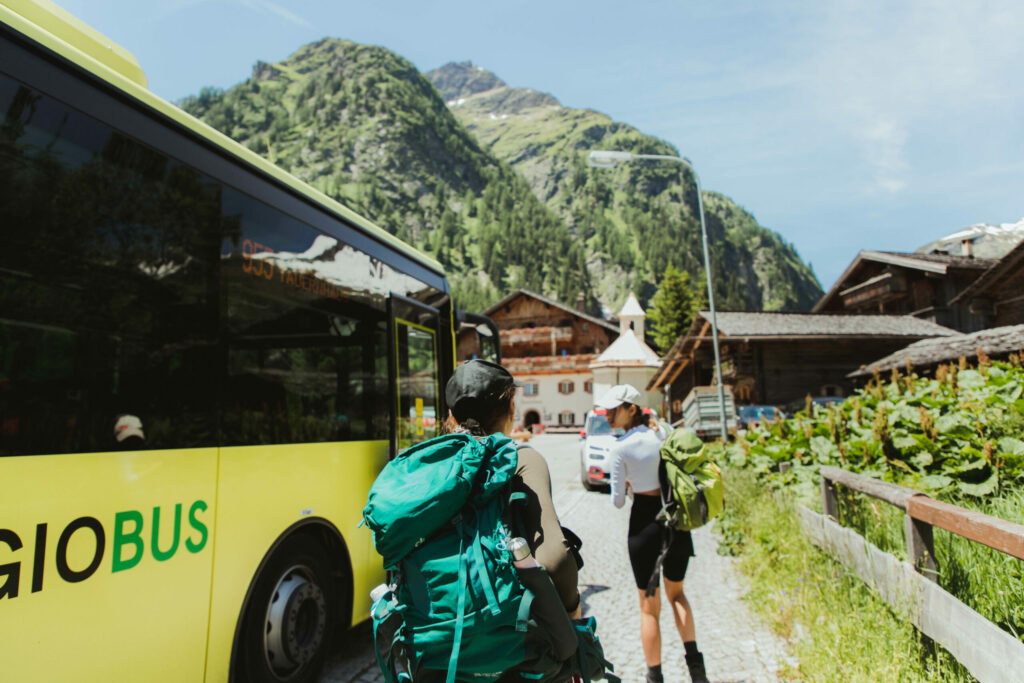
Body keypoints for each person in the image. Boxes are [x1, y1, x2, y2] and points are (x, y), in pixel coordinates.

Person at [444, 359, 581, 617]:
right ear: (511, 408)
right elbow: (555, 558)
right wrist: (573, 611)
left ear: (451, 416)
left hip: (437, 629)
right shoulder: (523, 459)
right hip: (506, 632)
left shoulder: (434, 465)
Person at [599, 384, 708, 683]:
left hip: (644, 525)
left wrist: (632, 485)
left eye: (614, 409)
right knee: (678, 596)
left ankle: (654, 677)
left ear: (631, 408)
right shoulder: (665, 432)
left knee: (649, 608)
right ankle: (698, 674)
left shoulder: (621, 448)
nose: (608, 414)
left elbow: (618, 501)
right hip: (676, 521)